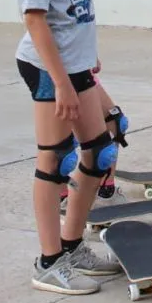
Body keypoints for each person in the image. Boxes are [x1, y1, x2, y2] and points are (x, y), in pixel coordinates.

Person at [0, 0, 121, 295]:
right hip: (50, 67)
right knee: (55, 159)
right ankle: (48, 261)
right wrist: (63, 83)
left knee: (101, 151)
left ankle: (71, 246)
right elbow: (34, 19)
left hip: (74, 63)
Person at [58, 72, 130, 213]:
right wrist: (61, 82)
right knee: (59, 145)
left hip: (79, 65)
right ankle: (62, 197)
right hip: (59, 71)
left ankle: (106, 191)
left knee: (115, 122)